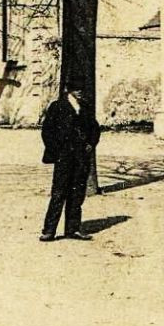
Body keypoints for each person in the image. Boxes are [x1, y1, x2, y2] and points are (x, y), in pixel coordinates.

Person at [39, 78, 101, 241]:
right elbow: (47, 131)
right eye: (76, 88)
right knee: (59, 193)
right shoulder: (57, 107)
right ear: (68, 90)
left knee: (77, 193)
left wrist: (90, 144)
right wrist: (56, 150)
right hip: (64, 157)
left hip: (81, 157)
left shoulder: (85, 107)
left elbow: (95, 129)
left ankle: (73, 229)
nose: (80, 91)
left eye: (82, 89)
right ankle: (49, 230)